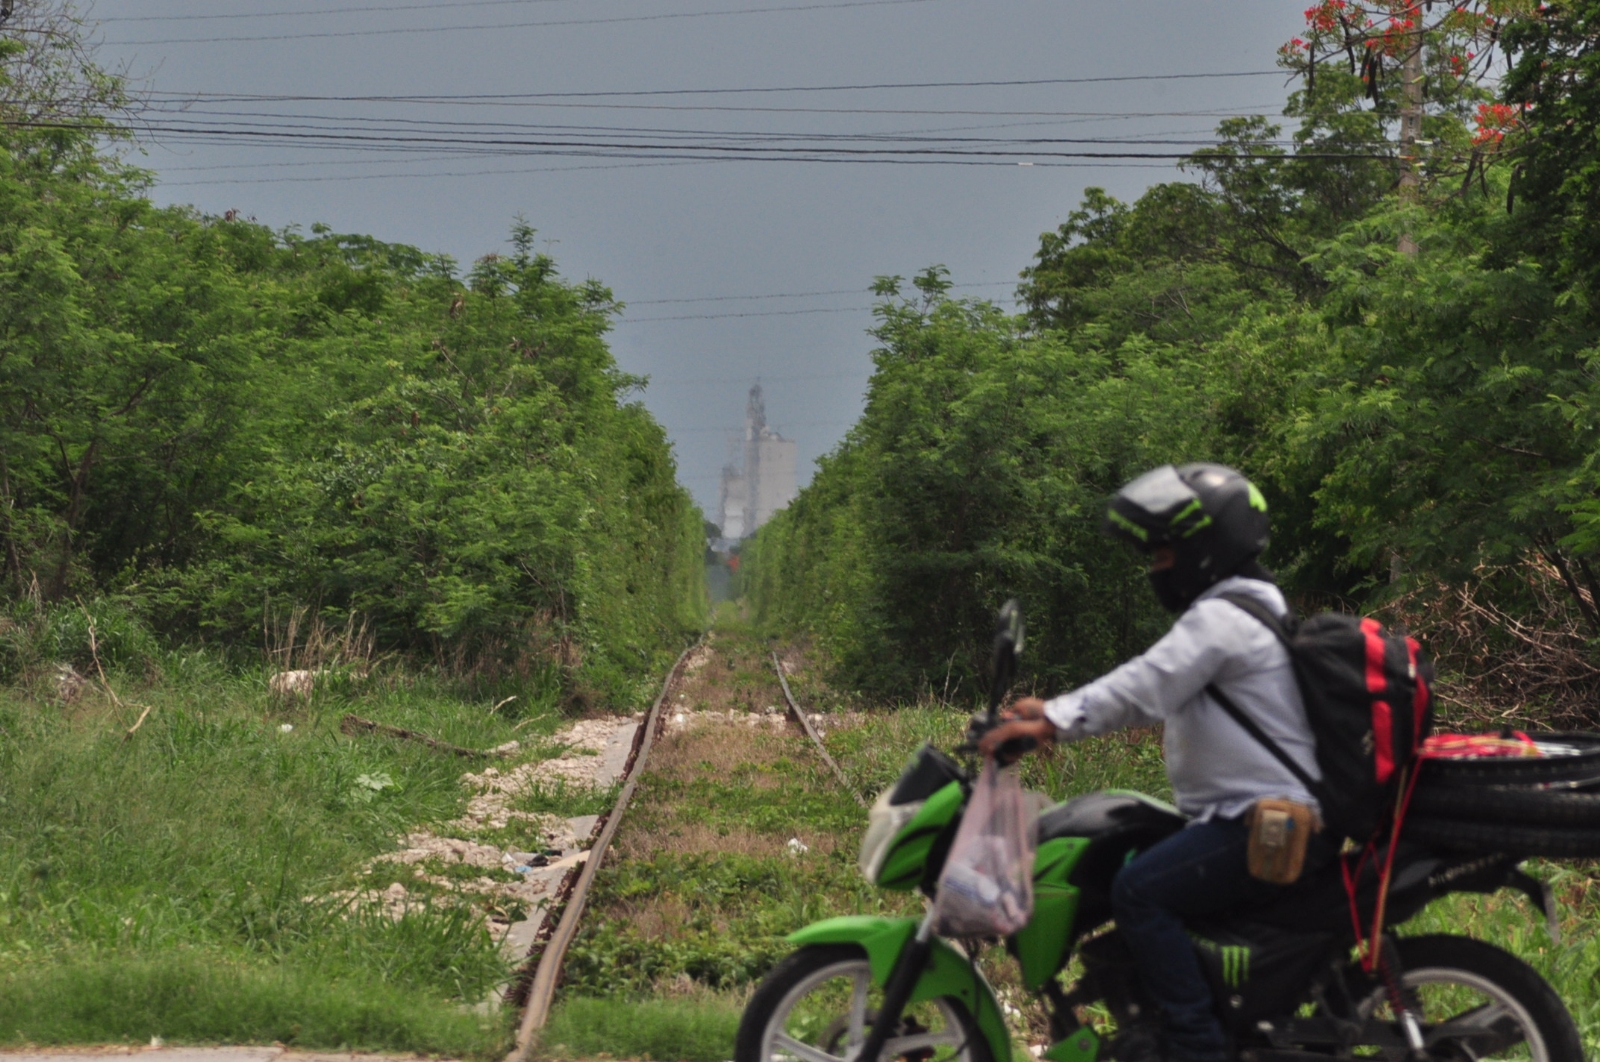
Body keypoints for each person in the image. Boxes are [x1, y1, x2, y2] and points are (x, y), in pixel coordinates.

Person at [979, 462, 1336, 1062]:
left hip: (1263, 823)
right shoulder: (1245, 608)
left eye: (1164, 551)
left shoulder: (1225, 618)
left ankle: (1196, 1045)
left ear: (1206, 545)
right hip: (1247, 816)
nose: (1156, 566)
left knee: (1139, 892)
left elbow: (1149, 684)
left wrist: (1054, 719)